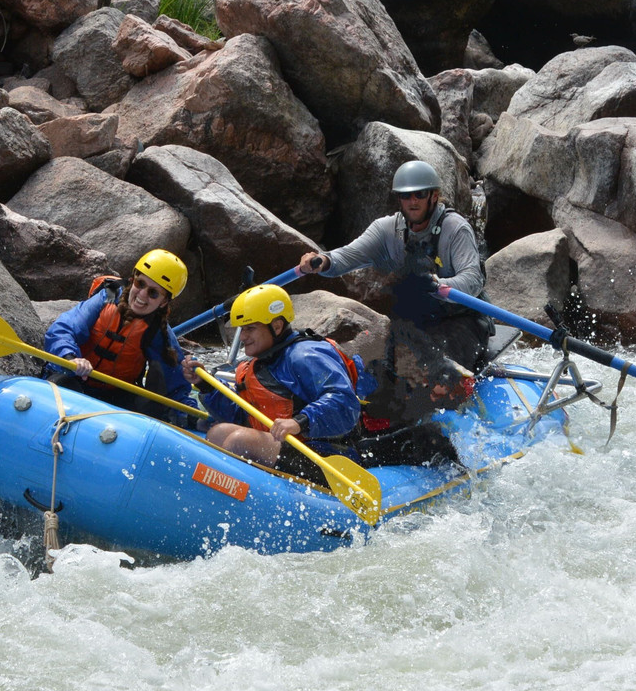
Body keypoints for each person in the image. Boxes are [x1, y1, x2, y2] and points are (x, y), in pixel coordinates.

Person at [298, 159, 493, 424]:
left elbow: (472, 279)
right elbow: (349, 255)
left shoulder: (455, 228)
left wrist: (438, 285)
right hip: (418, 321)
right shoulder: (387, 229)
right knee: (386, 380)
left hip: (464, 318)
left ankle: (452, 401)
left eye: (420, 194)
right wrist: (324, 261)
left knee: (440, 379)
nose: (413, 201)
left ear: (434, 196)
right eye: (406, 196)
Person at [180, 284, 362, 482]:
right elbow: (243, 417)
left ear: (276, 326)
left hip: (326, 454)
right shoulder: (259, 362)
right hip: (284, 448)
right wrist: (206, 386)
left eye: (250, 328)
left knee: (238, 442)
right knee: (218, 432)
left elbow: (345, 401)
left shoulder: (305, 355)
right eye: (242, 329)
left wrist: (300, 421)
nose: (243, 337)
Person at [43, 249, 199, 422]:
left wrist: (189, 414)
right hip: (75, 380)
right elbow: (63, 329)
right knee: (63, 383)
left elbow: (175, 383)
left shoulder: (157, 331)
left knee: (153, 400)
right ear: (132, 281)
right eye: (140, 284)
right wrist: (70, 357)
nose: (142, 295)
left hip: (115, 396)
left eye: (153, 293)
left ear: (163, 302)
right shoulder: (106, 298)